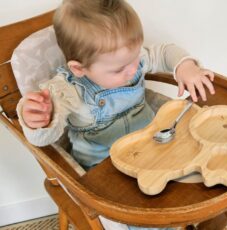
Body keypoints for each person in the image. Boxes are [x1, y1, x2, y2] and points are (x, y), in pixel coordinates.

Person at [17, 0, 215, 229]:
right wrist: (37, 119)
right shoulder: (65, 90)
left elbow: (164, 52)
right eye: (119, 69)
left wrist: (185, 67)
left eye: (133, 59)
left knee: (201, 166)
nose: (134, 69)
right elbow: (45, 140)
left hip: (154, 143)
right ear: (79, 69)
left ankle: (212, 208)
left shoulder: (129, 60)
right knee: (142, 215)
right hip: (108, 169)